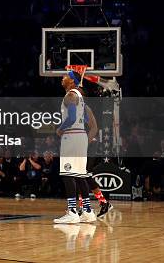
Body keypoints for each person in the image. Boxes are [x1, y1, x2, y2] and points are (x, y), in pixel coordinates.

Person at [53, 70, 96, 224]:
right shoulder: (80, 96)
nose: (62, 78)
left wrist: (60, 128)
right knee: (80, 175)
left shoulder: (70, 95)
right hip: (81, 136)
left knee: (68, 173)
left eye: (65, 76)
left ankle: (72, 211)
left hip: (71, 136)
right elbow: (83, 118)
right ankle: (88, 211)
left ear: (71, 81)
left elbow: (71, 118)